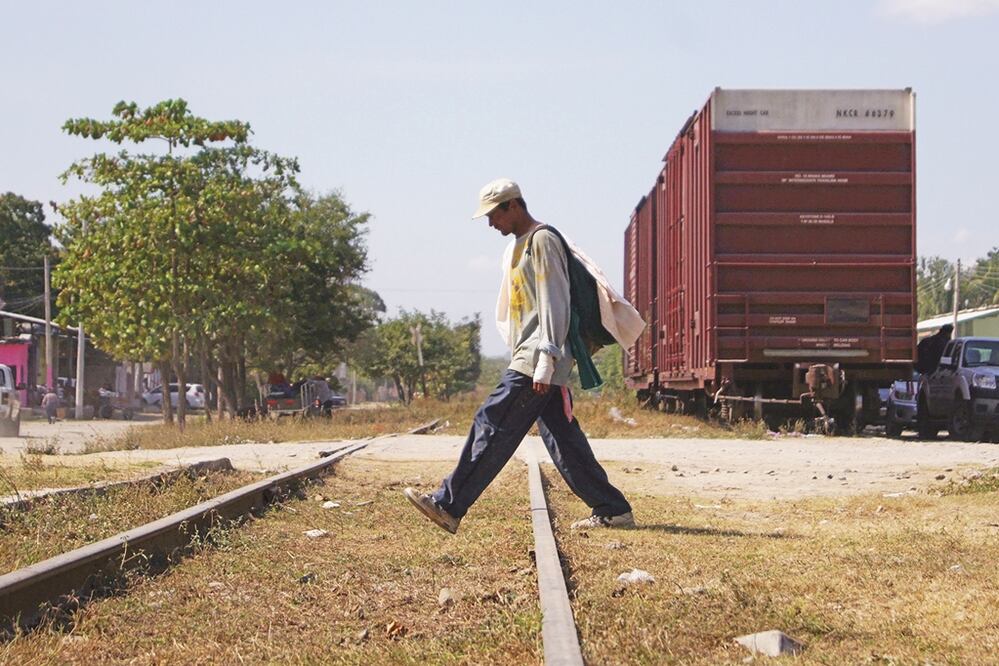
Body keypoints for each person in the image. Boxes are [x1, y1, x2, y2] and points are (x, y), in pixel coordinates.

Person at [404, 178, 634, 534]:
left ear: (513, 206)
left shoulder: (541, 240)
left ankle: (449, 505)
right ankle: (612, 508)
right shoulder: (517, 248)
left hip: (538, 359)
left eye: (493, 215)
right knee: (564, 440)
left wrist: (546, 359)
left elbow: (554, 299)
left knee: (492, 422)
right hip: (536, 356)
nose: (490, 224)